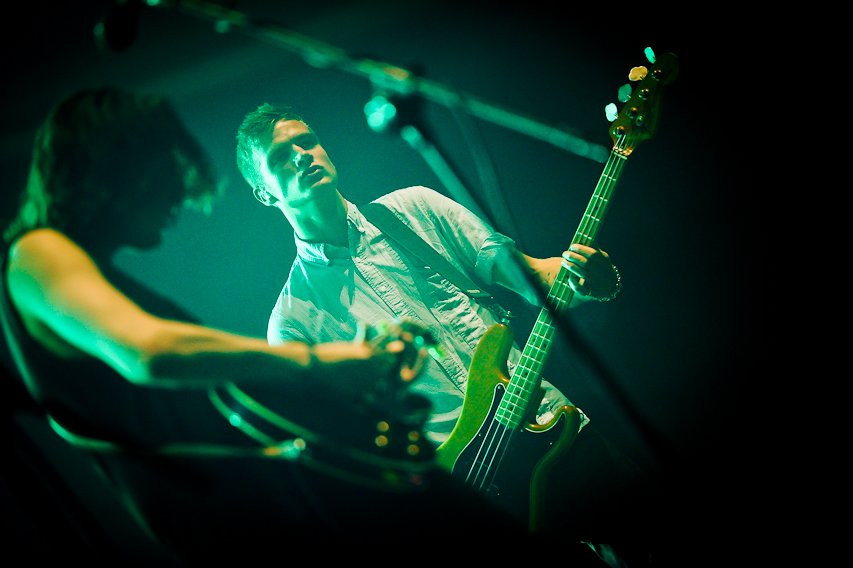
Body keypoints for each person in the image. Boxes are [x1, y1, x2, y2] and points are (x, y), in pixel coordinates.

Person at [0, 87, 524, 563]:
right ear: (118, 170)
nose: (176, 201)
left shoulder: (84, 270)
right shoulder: (36, 253)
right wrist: (323, 361)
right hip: (233, 523)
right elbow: (150, 350)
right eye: (165, 176)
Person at [234, 104, 654, 565]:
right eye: (280, 157)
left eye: (307, 141)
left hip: (556, 433)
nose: (302, 156)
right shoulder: (292, 322)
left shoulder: (416, 208)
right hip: (476, 502)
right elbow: (348, 450)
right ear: (263, 194)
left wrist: (591, 279)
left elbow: (533, 278)